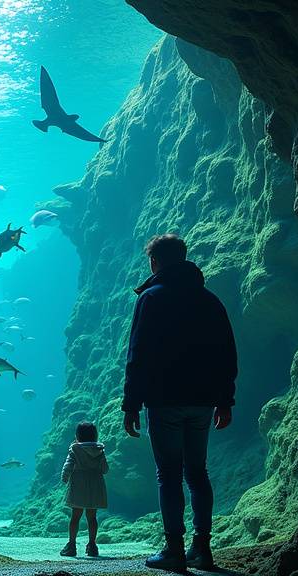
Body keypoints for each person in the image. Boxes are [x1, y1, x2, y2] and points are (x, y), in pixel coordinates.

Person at [122, 234, 237, 571]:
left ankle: (173, 550)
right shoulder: (210, 300)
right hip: (203, 402)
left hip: (164, 400)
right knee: (197, 472)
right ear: (183, 258)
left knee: (168, 474)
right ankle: (202, 547)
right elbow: (227, 354)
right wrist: (225, 400)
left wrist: (131, 403)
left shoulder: (151, 299)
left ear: (154, 262)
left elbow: (137, 354)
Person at [60, 421, 109, 557]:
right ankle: (92, 546)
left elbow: (68, 466)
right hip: (95, 486)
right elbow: (105, 469)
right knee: (92, 517)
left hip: (78, 485)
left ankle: (71, 546)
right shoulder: (99, 450)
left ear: (77, 436)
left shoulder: (75, 449)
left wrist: (64, 478)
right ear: (95, 436)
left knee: (75, 517)